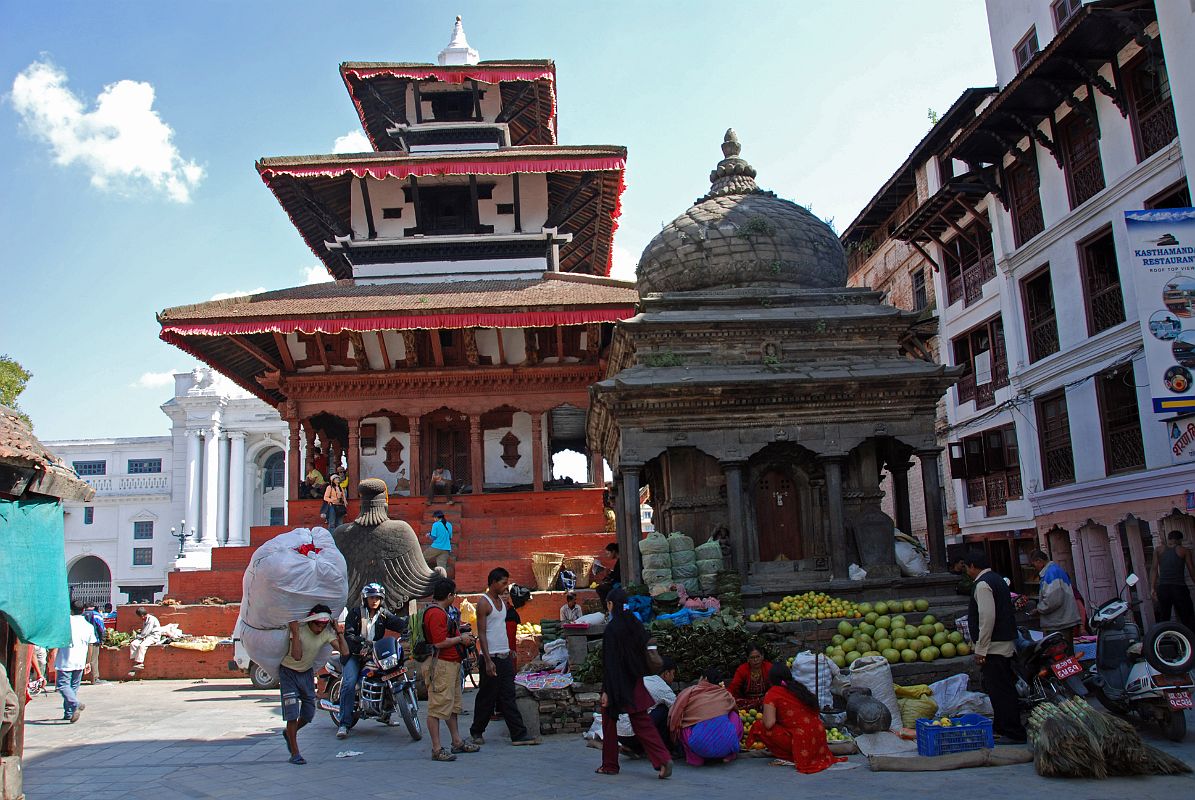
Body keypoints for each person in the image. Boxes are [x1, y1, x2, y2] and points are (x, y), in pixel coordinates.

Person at [597, 587, 673, 778]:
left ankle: (610, 765)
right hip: (635, 681)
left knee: (609, 722)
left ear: (611, 604)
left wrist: (606, 690)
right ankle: (662, 759)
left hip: (616, 684)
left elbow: (610, 663)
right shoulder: (635, 623)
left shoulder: (612, 630)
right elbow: (647, 644)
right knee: (642, 722)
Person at [468, 568, 539, 746]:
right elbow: (482, 633)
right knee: (486, 696)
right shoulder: (484, 603)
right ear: (493, 582)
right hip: (490, 657)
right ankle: (477, 731)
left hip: (505, 656)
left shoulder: (501, 602)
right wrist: (489, 661)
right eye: (503, 583)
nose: (505, 586)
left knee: (508, 695)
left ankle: (518, 734)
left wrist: (508, 650)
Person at [965, 551, 1026, 743]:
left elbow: (987, 618)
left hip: (995, 647)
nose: (967, 572)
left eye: (967, 568)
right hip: (1003, 644)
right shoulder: (997, 579)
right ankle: (1001, 726)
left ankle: (1012, 731)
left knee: (1002, 691)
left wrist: (981, 650)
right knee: (999, 690)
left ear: (973, 566)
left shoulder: (983, 585)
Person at [336, 583, 408, 739]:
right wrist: (363, 642)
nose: (374, 600)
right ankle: (344, 723)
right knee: (349, 683)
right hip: (354, 654)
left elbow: (399, 623)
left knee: (389, 675)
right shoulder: (355, 613)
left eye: (377, 598)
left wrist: (410, 627)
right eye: (371, 598)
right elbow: (348, 635)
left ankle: (385, 714)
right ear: (365, 599)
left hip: (375, 655)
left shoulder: (383, 615)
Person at [747, 663, 845, 774]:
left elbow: (769, 724)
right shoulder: (798, 689)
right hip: (818, 736)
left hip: (801, 739)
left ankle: (790, 756)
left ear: (771, 679)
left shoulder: (773, 693)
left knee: (759, 726)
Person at [422, 578, 480, 762]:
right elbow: (439, 642)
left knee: (451, 706)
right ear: (449, 596)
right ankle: (437, 748)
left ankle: (456, 741)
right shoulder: (436, 614)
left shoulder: (442, 612)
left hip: (451, 664)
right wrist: (461, 639)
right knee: (437, 707)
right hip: (441, 665)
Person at [280, 604, 346, 765]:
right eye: (318, 624)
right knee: (292, 714)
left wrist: (338, 631)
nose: (320, 628)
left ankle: (289, 733)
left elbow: (345, 652)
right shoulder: (300, 630)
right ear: (311, 620)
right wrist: (295, 632)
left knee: (309, 713)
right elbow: (296, 656)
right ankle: (295, 753)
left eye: (323, 625)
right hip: (288, 673)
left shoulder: (326, 633)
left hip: (306, 674)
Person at [667, 668, 742, 766]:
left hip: (698, 747)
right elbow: (735, 710)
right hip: (727, 746)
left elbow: (674, 715)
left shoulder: (690, 692)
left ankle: (695, 758)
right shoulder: (725, 694)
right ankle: (730, 754)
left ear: (704, 678)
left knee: (681, 722)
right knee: (734, 715)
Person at [617, 655, 677, 757]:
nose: (673, 677)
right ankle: (665, 750)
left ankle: (634, 748)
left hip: (619, 734)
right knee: (665, 710)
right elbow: (677, 707)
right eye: (673, 674)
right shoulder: (663, 688)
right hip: (634, 733)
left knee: (649, 711)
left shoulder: (644, 679)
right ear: (666, 673)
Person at [53, 600, 96, 722]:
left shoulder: (66, 623)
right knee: (73, 687)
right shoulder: (88, 626)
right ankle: (69, 713)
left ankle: (74, 704)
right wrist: (88, 662)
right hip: (80, 660)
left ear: (70, 610)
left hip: (66, 659)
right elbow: (90, 645)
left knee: (62, 685)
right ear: (83, 610)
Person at [1028, 550, 1081, 648]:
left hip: (1059, 622)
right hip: (1062, 621)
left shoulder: (1051, 573)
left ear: (1039, 561)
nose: (1034, 567)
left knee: (1059, 655)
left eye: (1034, 564)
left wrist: (1039, 609)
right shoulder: (1054, 570)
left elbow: (1053, 601)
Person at [1153, 530, 1195, 630]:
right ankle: (1190, 639)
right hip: (1179, 587)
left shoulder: (1158, 550)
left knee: (1164, 617)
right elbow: (1191, 569)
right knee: (1187, 616)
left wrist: (1152, 588)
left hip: (1163, 588)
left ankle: (1164, 640)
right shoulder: (1184, 550)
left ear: (1169, 539)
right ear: (1180, 540)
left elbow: (1154, 569)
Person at [728, 645, 773, 710]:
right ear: (748, 659)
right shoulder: (742, 669)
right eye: (752, 657)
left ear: (762, 657)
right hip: (746, 701)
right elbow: (734, 687)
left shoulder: (769, 667)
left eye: (758, 657)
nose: (755, 660)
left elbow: (774, 686)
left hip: (765, 700)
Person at [129, 607, 162, 673]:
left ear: (142, 616)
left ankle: (140, 663)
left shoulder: (151, 619)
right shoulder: (145, 620)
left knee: (142, 646)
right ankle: (135, 661)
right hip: (146, 636)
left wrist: (138, 636)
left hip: (153, 636)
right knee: (133, 644)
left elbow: (146, 632)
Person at [81, 603, 106, 684]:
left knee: (82, 658)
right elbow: (101, 628)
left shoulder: (81, 615)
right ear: (94, 607)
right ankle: (94, 678)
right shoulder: (96, 615)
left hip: (82, 640)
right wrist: (102, 639)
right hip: (94, 640)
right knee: (93, 659)